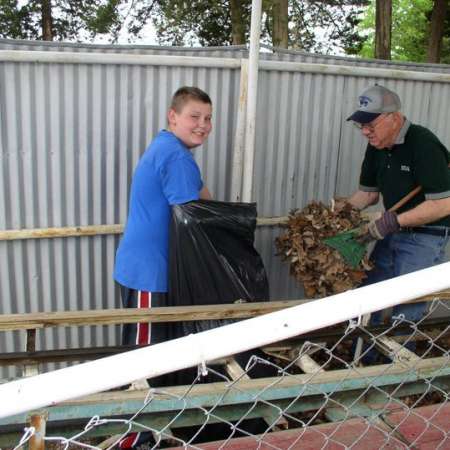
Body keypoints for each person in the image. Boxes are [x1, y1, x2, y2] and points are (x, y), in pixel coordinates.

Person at [343, 84, 450, 326]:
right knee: (371, 297)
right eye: (361, 125)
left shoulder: (424, 145)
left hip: (427, 235)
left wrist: (395, 220)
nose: (365, 132)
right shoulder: (377, 147)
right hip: (393, 230)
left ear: (394, 117)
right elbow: (367, 194)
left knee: (407, 307)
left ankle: (402, 360)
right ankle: (367, 358)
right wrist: (338, 215)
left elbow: (443, 205)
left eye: (371, 125)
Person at [114, 86, 213, 348]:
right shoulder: (176, 155)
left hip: (146, 266)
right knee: (145, 354)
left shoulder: (166, 144)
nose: (203, 125)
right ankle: (140, 391)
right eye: (195, 116)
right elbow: (192, 217)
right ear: (173, 116)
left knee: (156, 347)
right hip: (150, 271)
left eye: (208, 118)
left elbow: (204, 196)